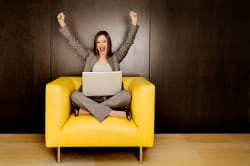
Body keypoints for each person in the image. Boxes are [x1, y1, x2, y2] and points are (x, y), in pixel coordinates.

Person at [57, 10, 139, 122]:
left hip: (111, 98)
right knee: (74, 96)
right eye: (98, 42)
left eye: (104, 41)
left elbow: (127, 44)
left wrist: (134, 22)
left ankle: (86, 111)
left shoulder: (115, 58)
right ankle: (111, 112)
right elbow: (74, 43)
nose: (101, 44)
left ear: (108, 43)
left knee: (127, 95)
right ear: (95, 45)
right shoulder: (89, 56)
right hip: (91, 98)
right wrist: (62, 23)